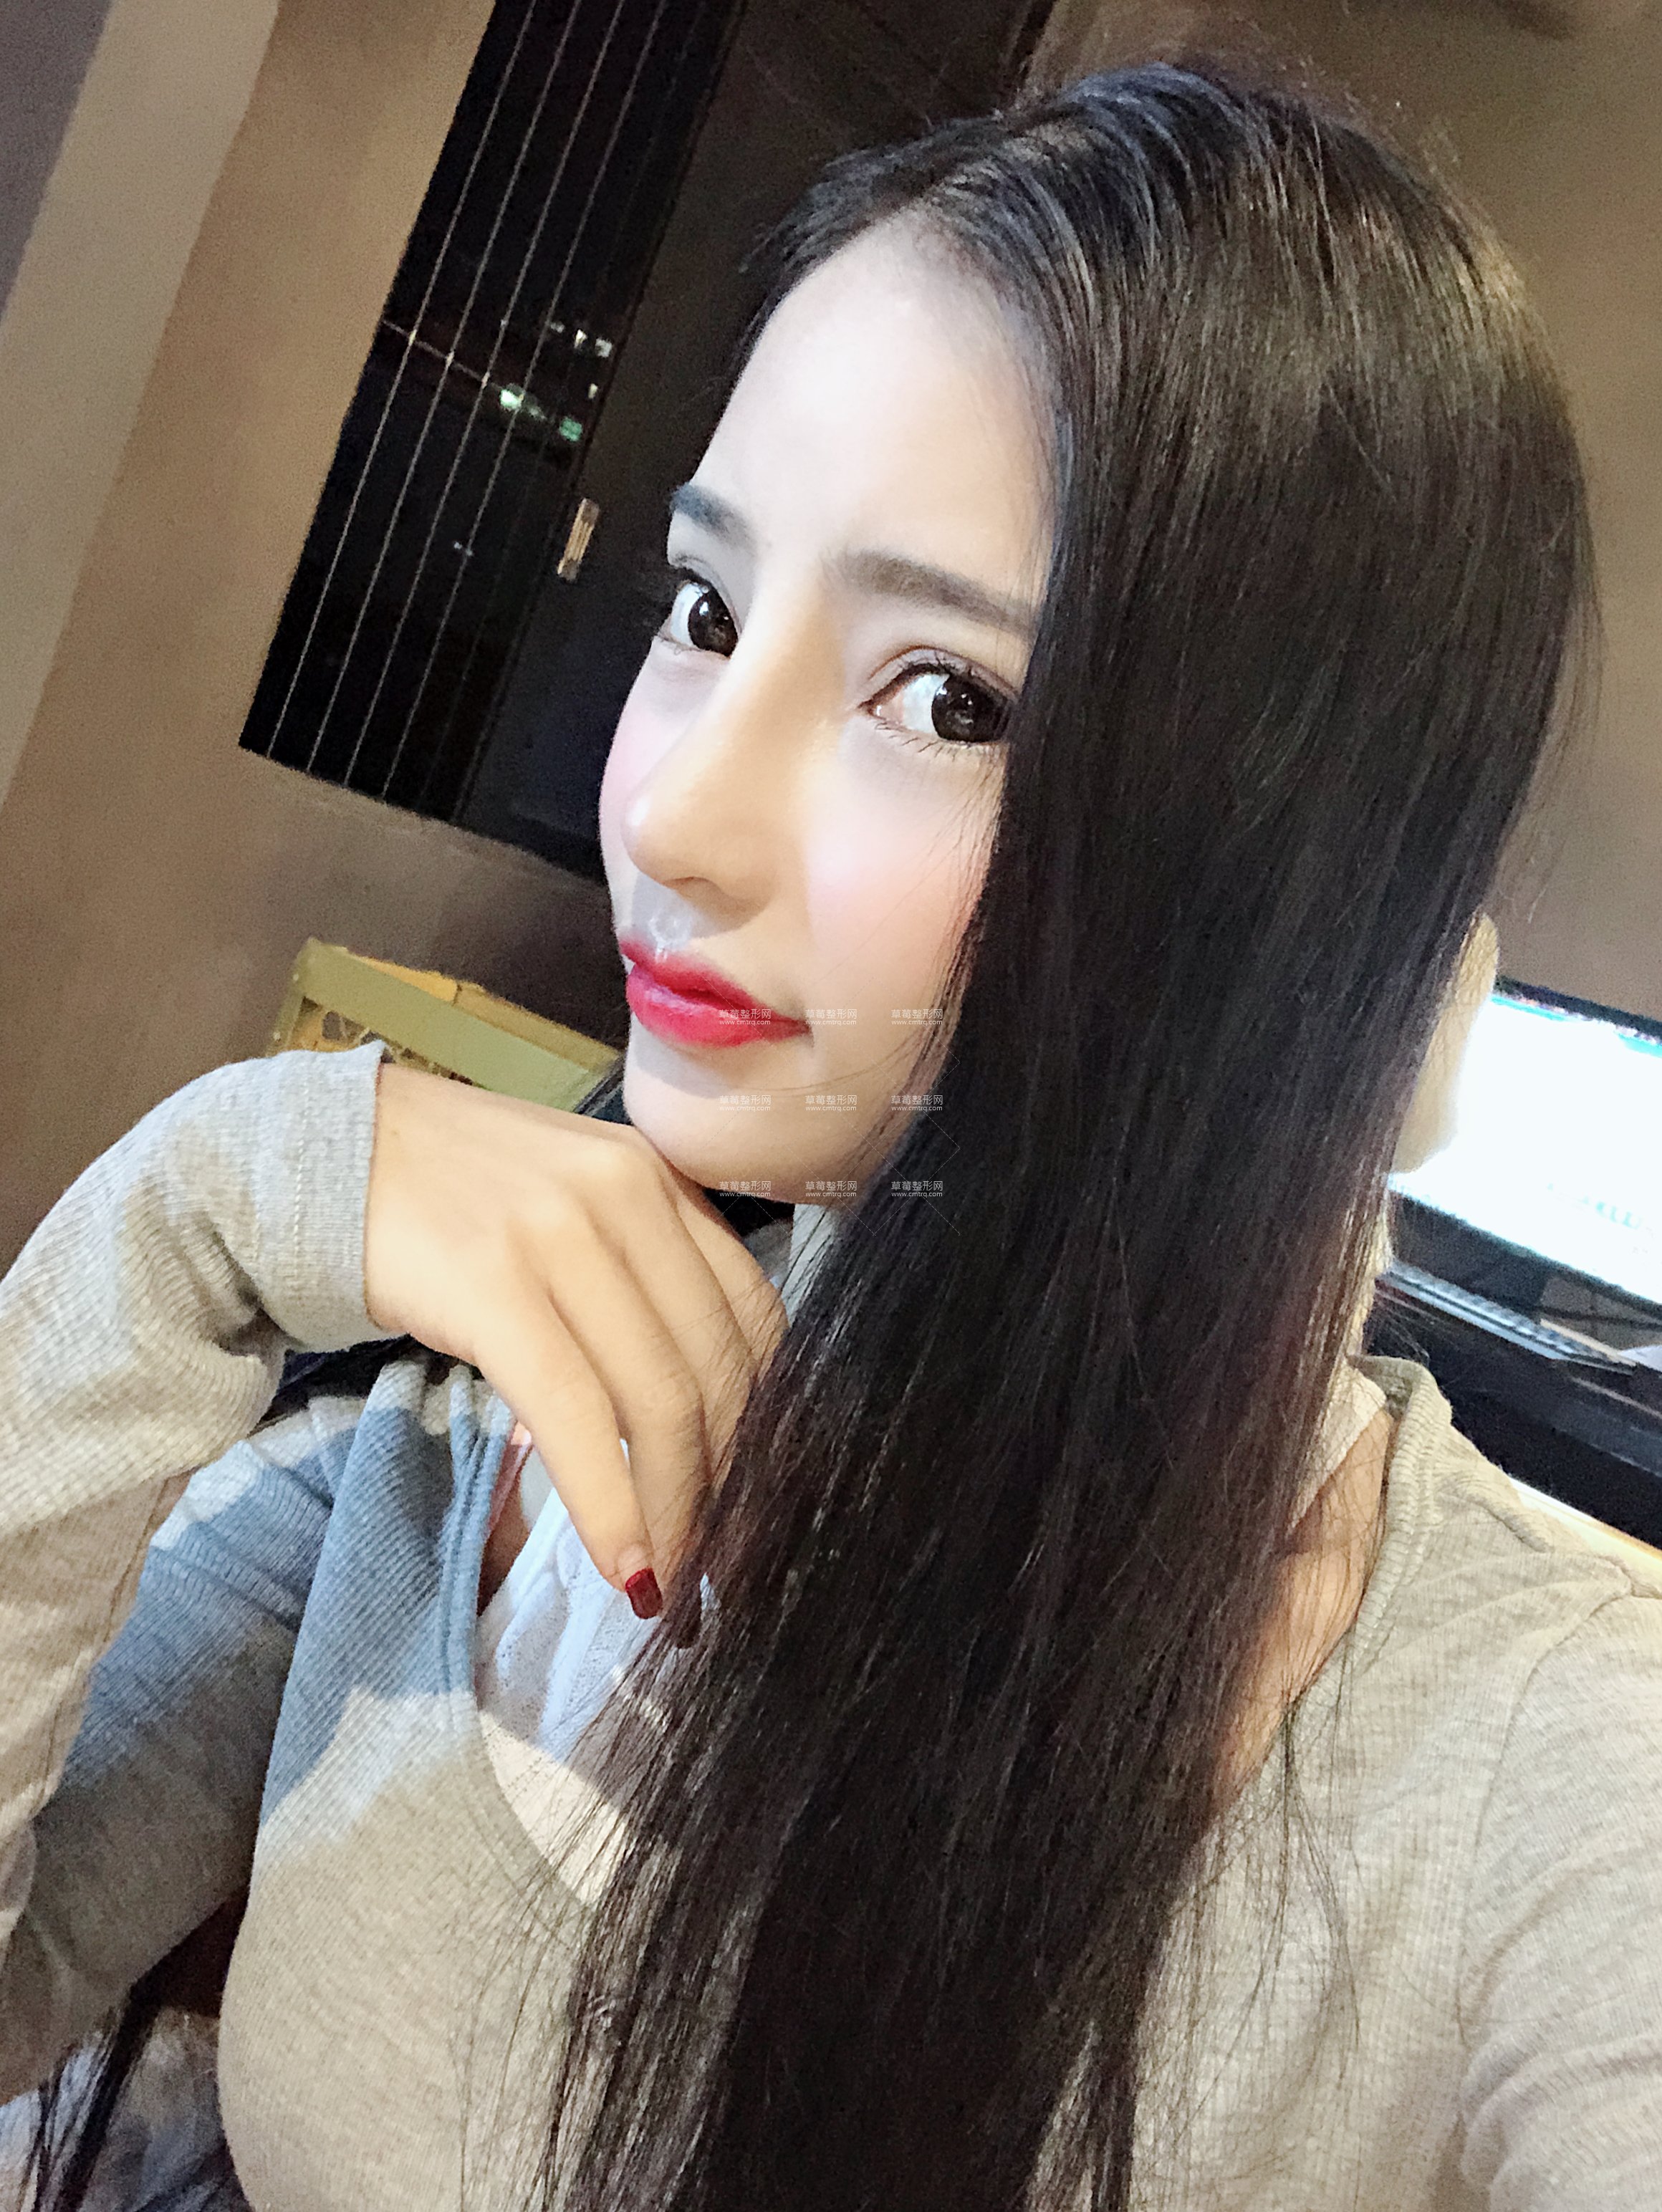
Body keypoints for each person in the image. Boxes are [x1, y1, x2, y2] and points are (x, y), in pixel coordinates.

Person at [1, 57, 1658, 2212]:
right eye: (706, 612)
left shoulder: (1542, 1765)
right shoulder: (473, 1456)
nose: (672, 811)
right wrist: (198, 1210)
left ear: (1307, 889)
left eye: (948, 699)